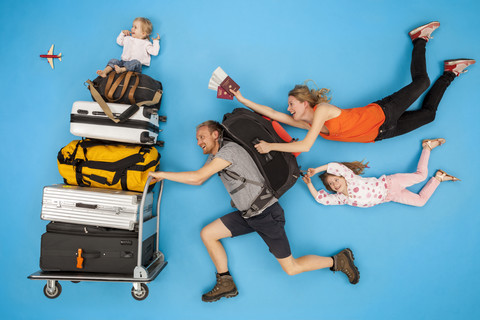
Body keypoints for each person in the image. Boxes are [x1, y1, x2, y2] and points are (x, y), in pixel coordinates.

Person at [148, 121, 360, 302]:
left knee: (291, 268)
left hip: (266, 215)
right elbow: (200, 179)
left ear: (215, 134)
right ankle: (226, 282)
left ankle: (338, 260)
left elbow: (197, 177)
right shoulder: (215, 158)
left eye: (202, 137)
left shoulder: (228, 151)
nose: (198, 142)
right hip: (249, 215)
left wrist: (163, 174)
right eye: (197, 139)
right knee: (208, 234)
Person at [230, 21, 475, 154]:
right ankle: (450, 73)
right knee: (429, 115)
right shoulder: (303, 122)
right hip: (381, 134)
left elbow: (305, 146)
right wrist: (241, 98)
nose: (287, 108)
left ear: (305, 103)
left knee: (421, 82)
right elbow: (272, 114)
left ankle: (419, 38)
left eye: (291, 104)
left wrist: (271, 146)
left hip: (383, 112)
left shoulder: (323, 110)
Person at [302, 138, 459, 208]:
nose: (334, 184)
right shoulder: (342, 199)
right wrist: (309, 184)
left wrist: (316, 170)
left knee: (421, 176)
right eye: (331, 184)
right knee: (420, 202)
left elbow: (336, 166)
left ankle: (427, 146)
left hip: (390, 183)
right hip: (390, 196)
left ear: (342, 176)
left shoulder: (351, 179)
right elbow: (321, 199)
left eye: (335, 180)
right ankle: (439, 177)